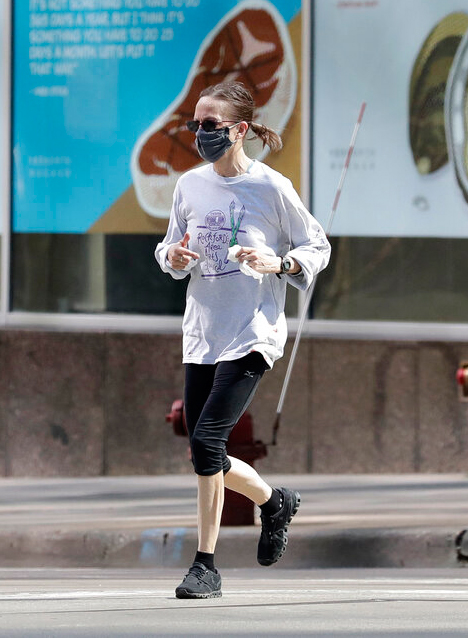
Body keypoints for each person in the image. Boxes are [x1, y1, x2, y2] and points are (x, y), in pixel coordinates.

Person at [155, 81, 331, 599]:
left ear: (240, 130)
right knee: (203, 451)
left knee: (208, 442)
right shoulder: (189, 185)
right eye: (196, 124)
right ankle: (274, 502)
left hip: (252, 332)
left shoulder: (271, 187)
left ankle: (205, 566)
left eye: (211, 125)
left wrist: (282, 263)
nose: (200, 133)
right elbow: (168, 249)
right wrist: (173, 257)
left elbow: (316, 244)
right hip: (202, 333)